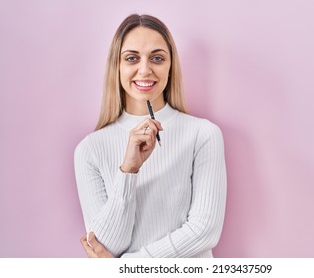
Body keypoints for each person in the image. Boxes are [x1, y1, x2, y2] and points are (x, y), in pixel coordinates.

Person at [74, 14, 227, 258]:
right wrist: (128, 171)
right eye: (132, 58)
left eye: (157, 58)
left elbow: (204, 231)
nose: (145, 70)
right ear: (117, 66)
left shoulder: (203, 134)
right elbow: (104, 246)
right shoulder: (90, 149)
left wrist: (128, 267)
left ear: (170, 66)